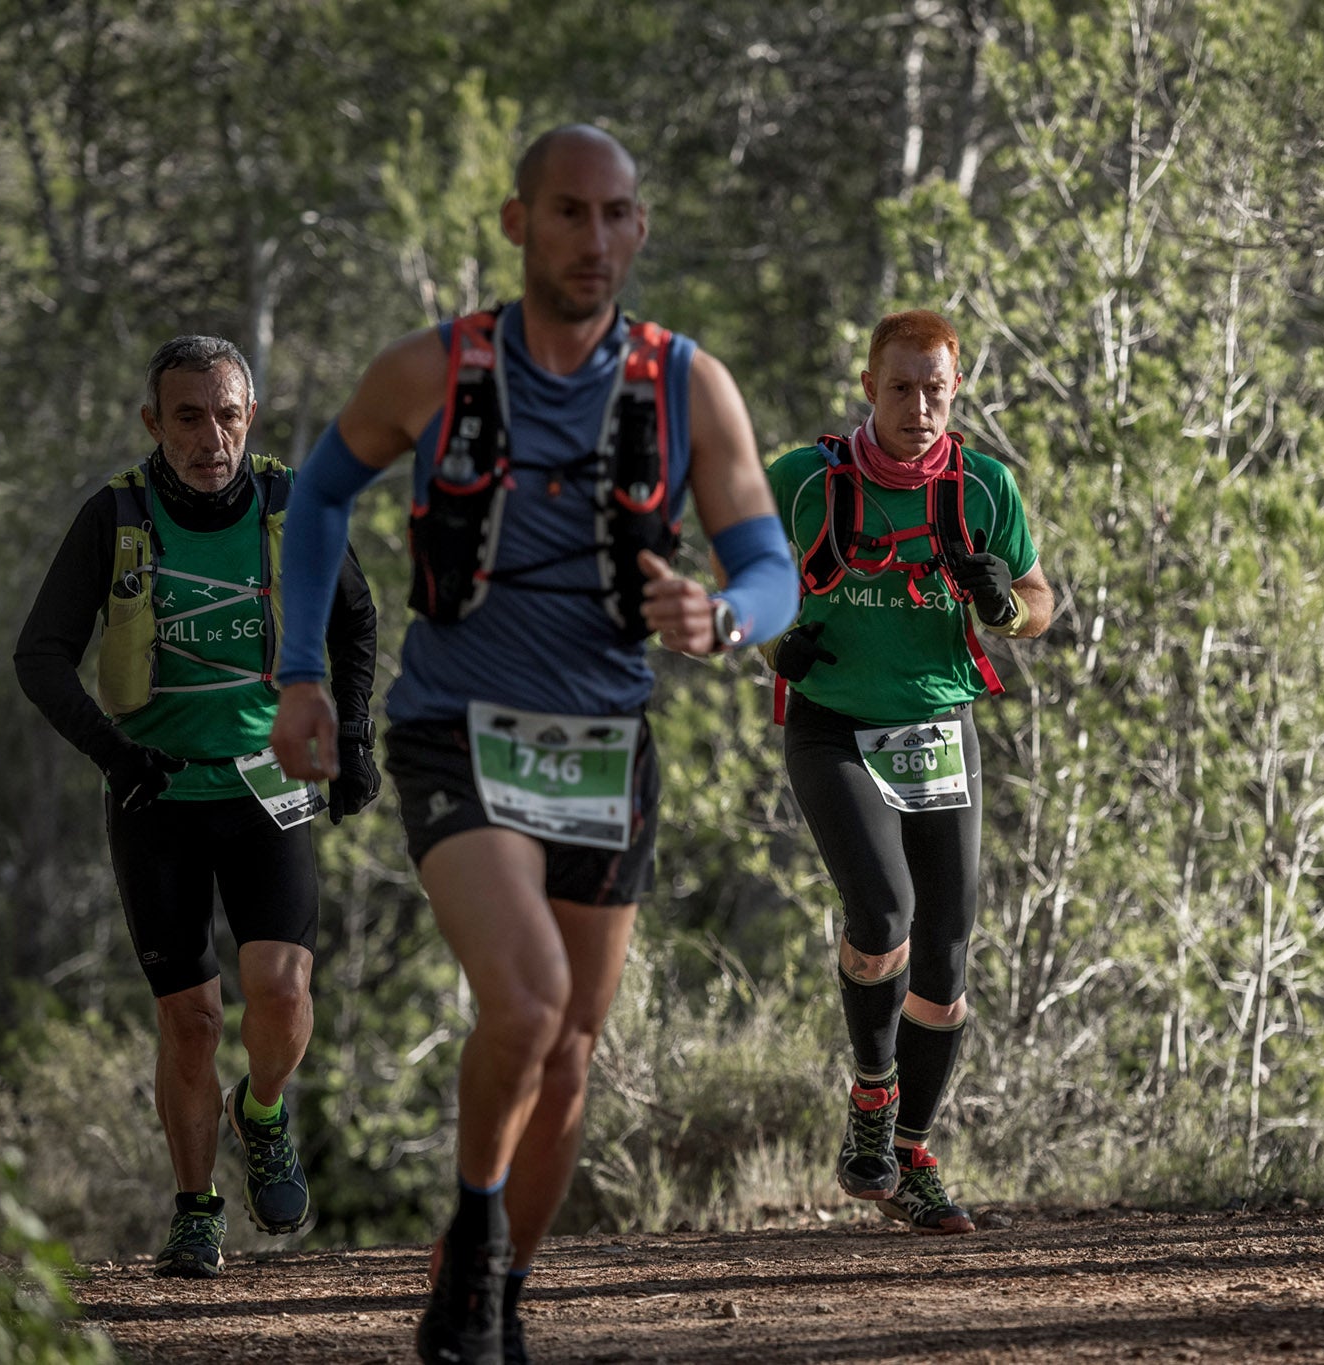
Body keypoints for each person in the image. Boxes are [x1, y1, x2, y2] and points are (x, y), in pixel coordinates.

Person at [268, 124, 797, 1364]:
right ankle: (472, 1234)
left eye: (616, 216)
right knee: (527, 999)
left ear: (640, 228)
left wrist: (719, 620)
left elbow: (768, 564)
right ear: (517, 225)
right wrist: (301, 672)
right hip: (455, 729)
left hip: (604, 743)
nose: (594, 241)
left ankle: (491, 1300)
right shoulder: (433, 371)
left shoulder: (684, 385)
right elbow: (319, 496)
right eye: (568, 213)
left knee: (568, 1060)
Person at [15, 334, 381, 1277]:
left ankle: (261, 1109)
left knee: (285, 992)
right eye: (187, 416)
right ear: (154, 423)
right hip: (156, 795)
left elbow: (356, 615)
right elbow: (40, 654)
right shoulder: (116, 517)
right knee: (190, 1020)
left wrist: (359, 744)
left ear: (248, 415)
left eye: (225, 413)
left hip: (270, 786)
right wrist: (114, 752)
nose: (208, 435)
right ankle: (195, 1209)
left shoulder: (292, 503)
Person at [764, 309, 1052, 1235]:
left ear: (955, 388)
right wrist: (773, 633)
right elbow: (736, 571)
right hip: (835, 725)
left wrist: (1002, 602)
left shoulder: (983, 487)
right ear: (868, 388)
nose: (919, 405)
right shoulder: (804, 481)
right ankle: (873, 1099)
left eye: (936, 387)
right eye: (901, 387)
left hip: (938, 723)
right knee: (882, 911)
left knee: (948, 954)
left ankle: (911, 1152)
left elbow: (1042, 603)